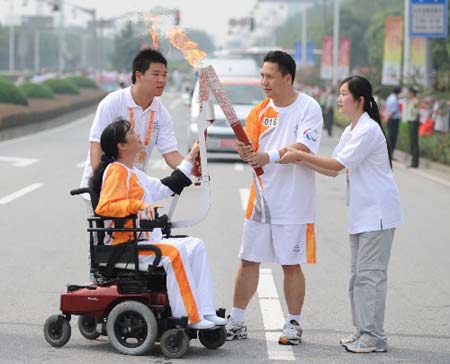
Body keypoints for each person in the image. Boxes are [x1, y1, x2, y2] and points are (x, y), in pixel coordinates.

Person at [279, 75, 404, 353]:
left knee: (370, 277)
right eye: (339, 93)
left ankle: (374, 337)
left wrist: (299, 155)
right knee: (357, 277)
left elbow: (336, 163)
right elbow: (333, 170)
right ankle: (362, 331)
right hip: (362, 214)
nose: (339, 98)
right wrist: (301, 159)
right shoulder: (350, 131)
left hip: (379, 214)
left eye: (344, 93)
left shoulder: (368, 131)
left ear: (360, 100)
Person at [91, 118, 227, 330]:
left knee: (196, 245)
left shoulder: (134, 174)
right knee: (174, 254)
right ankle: (189, 317)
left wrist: (192, 155)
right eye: (132, 132)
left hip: (145, 240)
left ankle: (206, 310)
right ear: (122, 145)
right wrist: (138, 205)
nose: (137, 135)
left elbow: (168, 186)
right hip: (126, 245)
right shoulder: (116, 171)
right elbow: (105, 206)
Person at [226, 50, 323, 345]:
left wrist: (265, 156)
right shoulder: (259, 112)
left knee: (291, 264)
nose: (264, 82)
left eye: (270, 76)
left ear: (288, 78)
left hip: (294, 202)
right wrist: (245, 153)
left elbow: (302, 149)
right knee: (248, 259)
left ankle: (293, 324)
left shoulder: (309, 108)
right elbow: (249, 149)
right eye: (262, 76)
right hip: (262, 201)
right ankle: (237, 321)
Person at [80, 48, 185, 212]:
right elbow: (97, 146)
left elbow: (171, 154)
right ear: (139, 76)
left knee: (135, 237)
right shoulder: (113, 102)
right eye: (156, 74)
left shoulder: (162, 114)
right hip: (104, 188)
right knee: (108, 237)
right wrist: (104, 185)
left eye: (165, 75)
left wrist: (190, 167)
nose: (162, 80)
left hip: (133, 188)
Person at [405, 87, 420, 168]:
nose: (408, 94)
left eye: (409, 93)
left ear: (412, 94)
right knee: (412, 142)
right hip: (411, 122)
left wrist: (416, 123)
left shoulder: (415, 101)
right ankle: (414, 161)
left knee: (414, 142)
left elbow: (417, 113)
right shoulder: (412, 101)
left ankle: (415, 162)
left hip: (413, 123)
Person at [384, 86, 402, 156]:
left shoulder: (389, 97)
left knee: (390, 136)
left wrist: (386, 118)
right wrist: (388, 118)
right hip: (393, 120)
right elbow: (393, 111)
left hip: (390, 119)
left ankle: (388, 153)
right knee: (392, 137)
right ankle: (390, 154)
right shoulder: (394, 99)